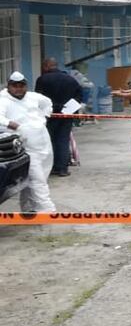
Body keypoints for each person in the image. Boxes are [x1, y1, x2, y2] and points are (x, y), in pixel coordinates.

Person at [0, 72, 55, 212]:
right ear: (9, 86)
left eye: (22, 85)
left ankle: (28, 209)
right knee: (38, 180)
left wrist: (45, 116)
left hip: (43, 142)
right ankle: (47, 211)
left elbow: (47, 103)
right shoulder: (3, 100)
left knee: (36, 178)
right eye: (15, 86)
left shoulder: (33, 97)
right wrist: (14, 125)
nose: (18, 88)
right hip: (25, 146)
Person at [34, 57, 82, 177]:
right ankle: (62, 169)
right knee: (63, 140)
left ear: (46, 66)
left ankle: (52, 167)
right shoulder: (71, 80)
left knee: (49, 140)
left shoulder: (42, 79)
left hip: (49, 115)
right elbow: (79, 97)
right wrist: (68, 110)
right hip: (66, 114)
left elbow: (37, 99)